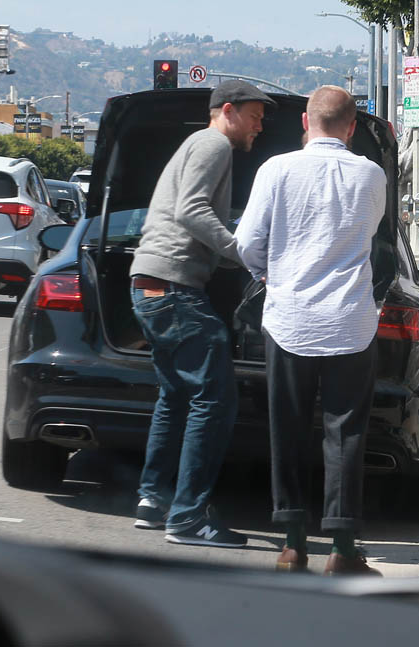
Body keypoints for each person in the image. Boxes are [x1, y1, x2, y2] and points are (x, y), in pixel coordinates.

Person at [234, 85, 386, 576]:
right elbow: (371, 234)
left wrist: (269, 274)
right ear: (352, 127)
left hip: (290, 319)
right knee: (346, 434)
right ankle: (342, 548)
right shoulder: (371, 174)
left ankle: (293, 544)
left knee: (289, 428)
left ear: (305, 121)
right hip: (350, 322)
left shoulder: (275, 170)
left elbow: (247, 242)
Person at [129, 80, 276, 546]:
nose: (258, 127)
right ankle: (188, 518)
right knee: (215, 399)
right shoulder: (214, 144)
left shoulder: (197, 143)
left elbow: (190, 216)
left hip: (151, 285)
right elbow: (192, 211)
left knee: (175, 395)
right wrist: (242, 251)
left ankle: (153, 499)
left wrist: (236, 254)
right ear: (227, 110)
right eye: (254, 117)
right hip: (175, 289)